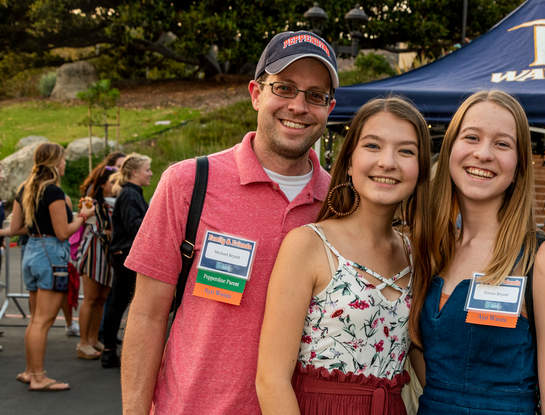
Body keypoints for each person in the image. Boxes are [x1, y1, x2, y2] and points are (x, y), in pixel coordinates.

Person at [120, 30, 338, 414]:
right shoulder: (189, 183)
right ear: (256, 93)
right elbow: (147, 315)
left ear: (329, 108)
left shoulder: (341, 201)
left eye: (315, 96)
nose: (299, 106)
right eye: (284, 88)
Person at [256, 96, 432, 414]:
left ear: (420, 171)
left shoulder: (416, 256)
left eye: (406, 151)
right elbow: (271, 380)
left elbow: (427, 371)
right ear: (350, 161)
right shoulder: (308, 245)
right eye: (373, 146)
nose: (388, 162)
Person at [409, 90, 545, 414]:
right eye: (471, 137)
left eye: (502, 144)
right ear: (451, 147)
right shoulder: (430, 249)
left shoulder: (541, 259)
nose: (483, 154)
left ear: (519, 164)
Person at [0, 142, 96, 391]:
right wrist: (83, 216)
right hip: (51, 255)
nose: (65, 164)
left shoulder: (25, 189)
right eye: (63, 160)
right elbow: (63, 232)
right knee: (43, 320)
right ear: (56, 162)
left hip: (31, 251)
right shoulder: (52, 192)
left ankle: (30, 371)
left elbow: (18, 228)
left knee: (35, 320)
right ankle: (39, 377)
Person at [100, 153, 152, 368]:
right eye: (147, 170)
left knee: (119, 301)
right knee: (122, 301)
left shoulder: (131, 194)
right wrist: (156, 221)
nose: (150, 173)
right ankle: (111, 348)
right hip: (127, 254)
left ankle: (110, 347)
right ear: (134, 173)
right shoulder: (130, 195)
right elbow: (135, 225)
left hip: (124, 253)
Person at [74, 156, 121, 360]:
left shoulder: (115, 203)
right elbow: (94, 227)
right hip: (94, 253)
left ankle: (93, 339)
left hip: (107, 255)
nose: (115, 186)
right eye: (112, 182)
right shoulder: (92, 203)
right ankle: (83, 342)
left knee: (101, 299)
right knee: (91, 299)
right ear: (102, 184)